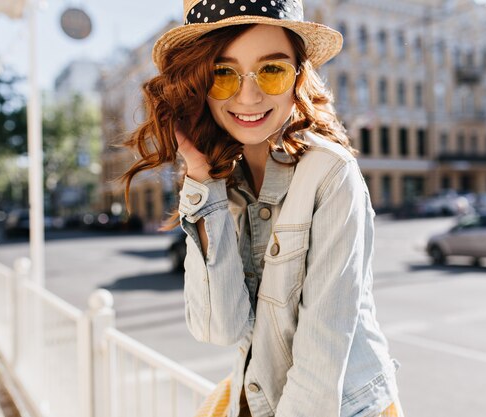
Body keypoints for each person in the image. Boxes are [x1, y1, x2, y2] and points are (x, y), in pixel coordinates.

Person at [122, 1, 403, 416]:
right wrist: (201, 180)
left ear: (298, 77)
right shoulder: (218, 179)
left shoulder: (331, 174)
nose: (248, 95)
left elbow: (320, 365)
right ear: (199, 82)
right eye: (223, 73)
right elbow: (219, 327)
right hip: (256, 397)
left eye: (272, 70)